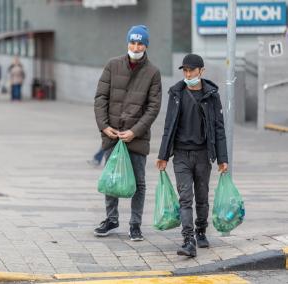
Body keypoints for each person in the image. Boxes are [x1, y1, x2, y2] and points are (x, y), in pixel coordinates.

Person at [93, 25, 162, 241]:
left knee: (139, 183)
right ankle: (111, 219)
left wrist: (135, 131)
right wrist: (104, 126)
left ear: (146, 45)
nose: (136, 46)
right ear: (127, 43)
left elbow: (153, 107)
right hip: (112, 134)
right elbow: (100, 98)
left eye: (140, 43)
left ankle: (135, 224)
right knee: (112, 178)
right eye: (133, 42)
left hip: (136, 137)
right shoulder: (112, 65)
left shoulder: (152, 72)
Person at [156, 54, 228, 257]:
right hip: (181, 155)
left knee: (202, 197)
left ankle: (201, 230)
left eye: (192, 70)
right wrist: (163, 155)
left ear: (201, 71)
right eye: (185, 71)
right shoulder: (176, 93)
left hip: (203, 154)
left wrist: (223, 159)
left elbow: (219, 128)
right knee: (185, 198)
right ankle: (188, 240)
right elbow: (168, 126)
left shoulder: (212, 95)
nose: (188, 74)